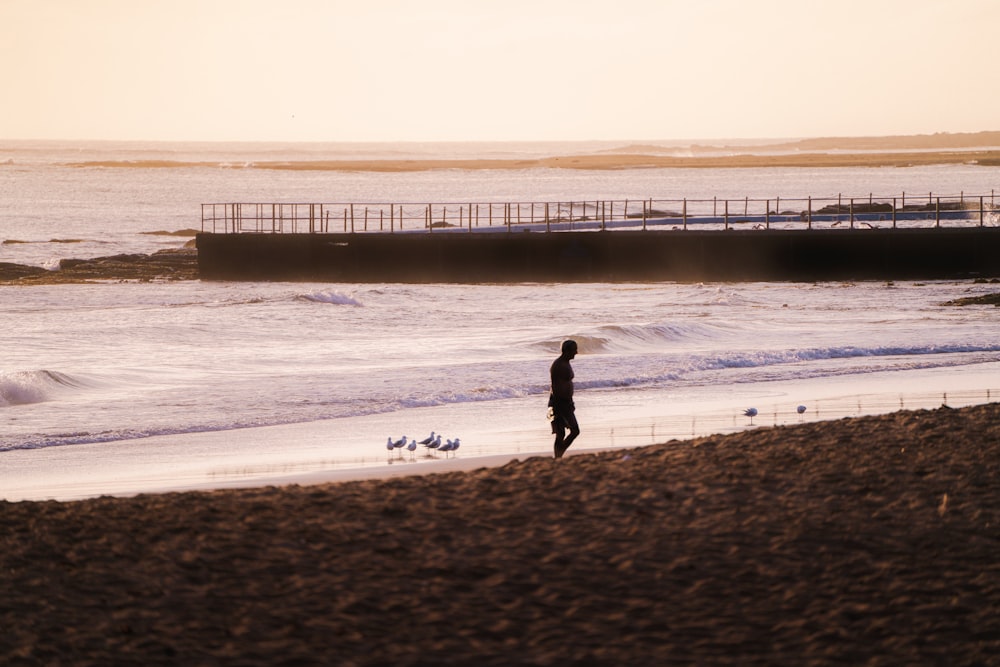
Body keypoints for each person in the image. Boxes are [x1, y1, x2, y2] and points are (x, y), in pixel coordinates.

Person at [548, 339, 580, 458]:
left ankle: (558, 456)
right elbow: (555, 387)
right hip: (559, 402)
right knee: (566, 432)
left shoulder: (566, 362)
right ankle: (558, 455)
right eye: (574, 350)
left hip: (566, 402)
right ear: (566, 351)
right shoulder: (558, 365)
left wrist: (569, 401)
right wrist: (562, 404)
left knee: (567, 432)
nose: (576, 352)